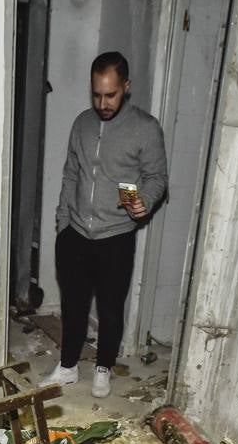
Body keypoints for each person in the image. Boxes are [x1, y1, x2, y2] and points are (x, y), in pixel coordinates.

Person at [43, 51, 168, 398]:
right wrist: (63, 221)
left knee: (111, 308)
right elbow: (71, 174)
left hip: (116, 235)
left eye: (110, 94)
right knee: (74, 304)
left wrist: (144, 200)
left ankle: (103, 368)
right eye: (96, 94)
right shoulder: (82, 124)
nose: (102, 103)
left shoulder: (146, 128)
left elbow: (157, 177)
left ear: (126, 88)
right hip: (76, 233)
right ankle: (67, 366)